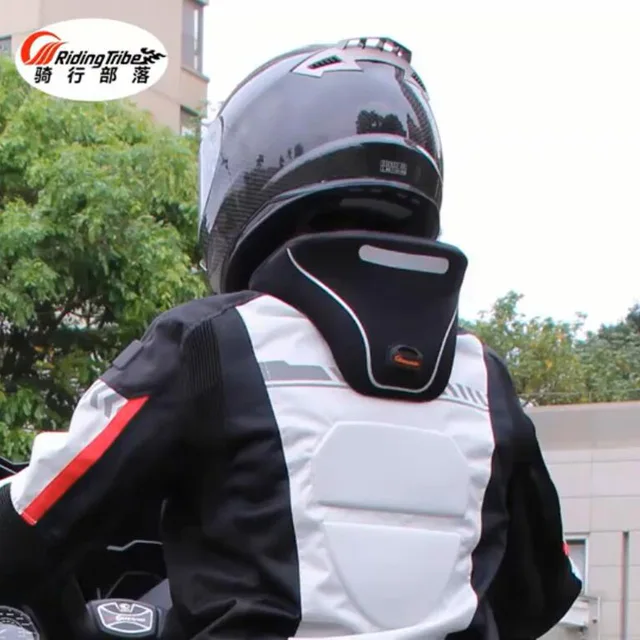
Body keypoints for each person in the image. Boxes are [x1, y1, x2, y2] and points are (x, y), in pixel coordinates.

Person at [0, 37, 580, 639]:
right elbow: (542, 591)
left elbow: (29, 529)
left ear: (252, 172)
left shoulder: (209, 342)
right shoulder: (485, 377)